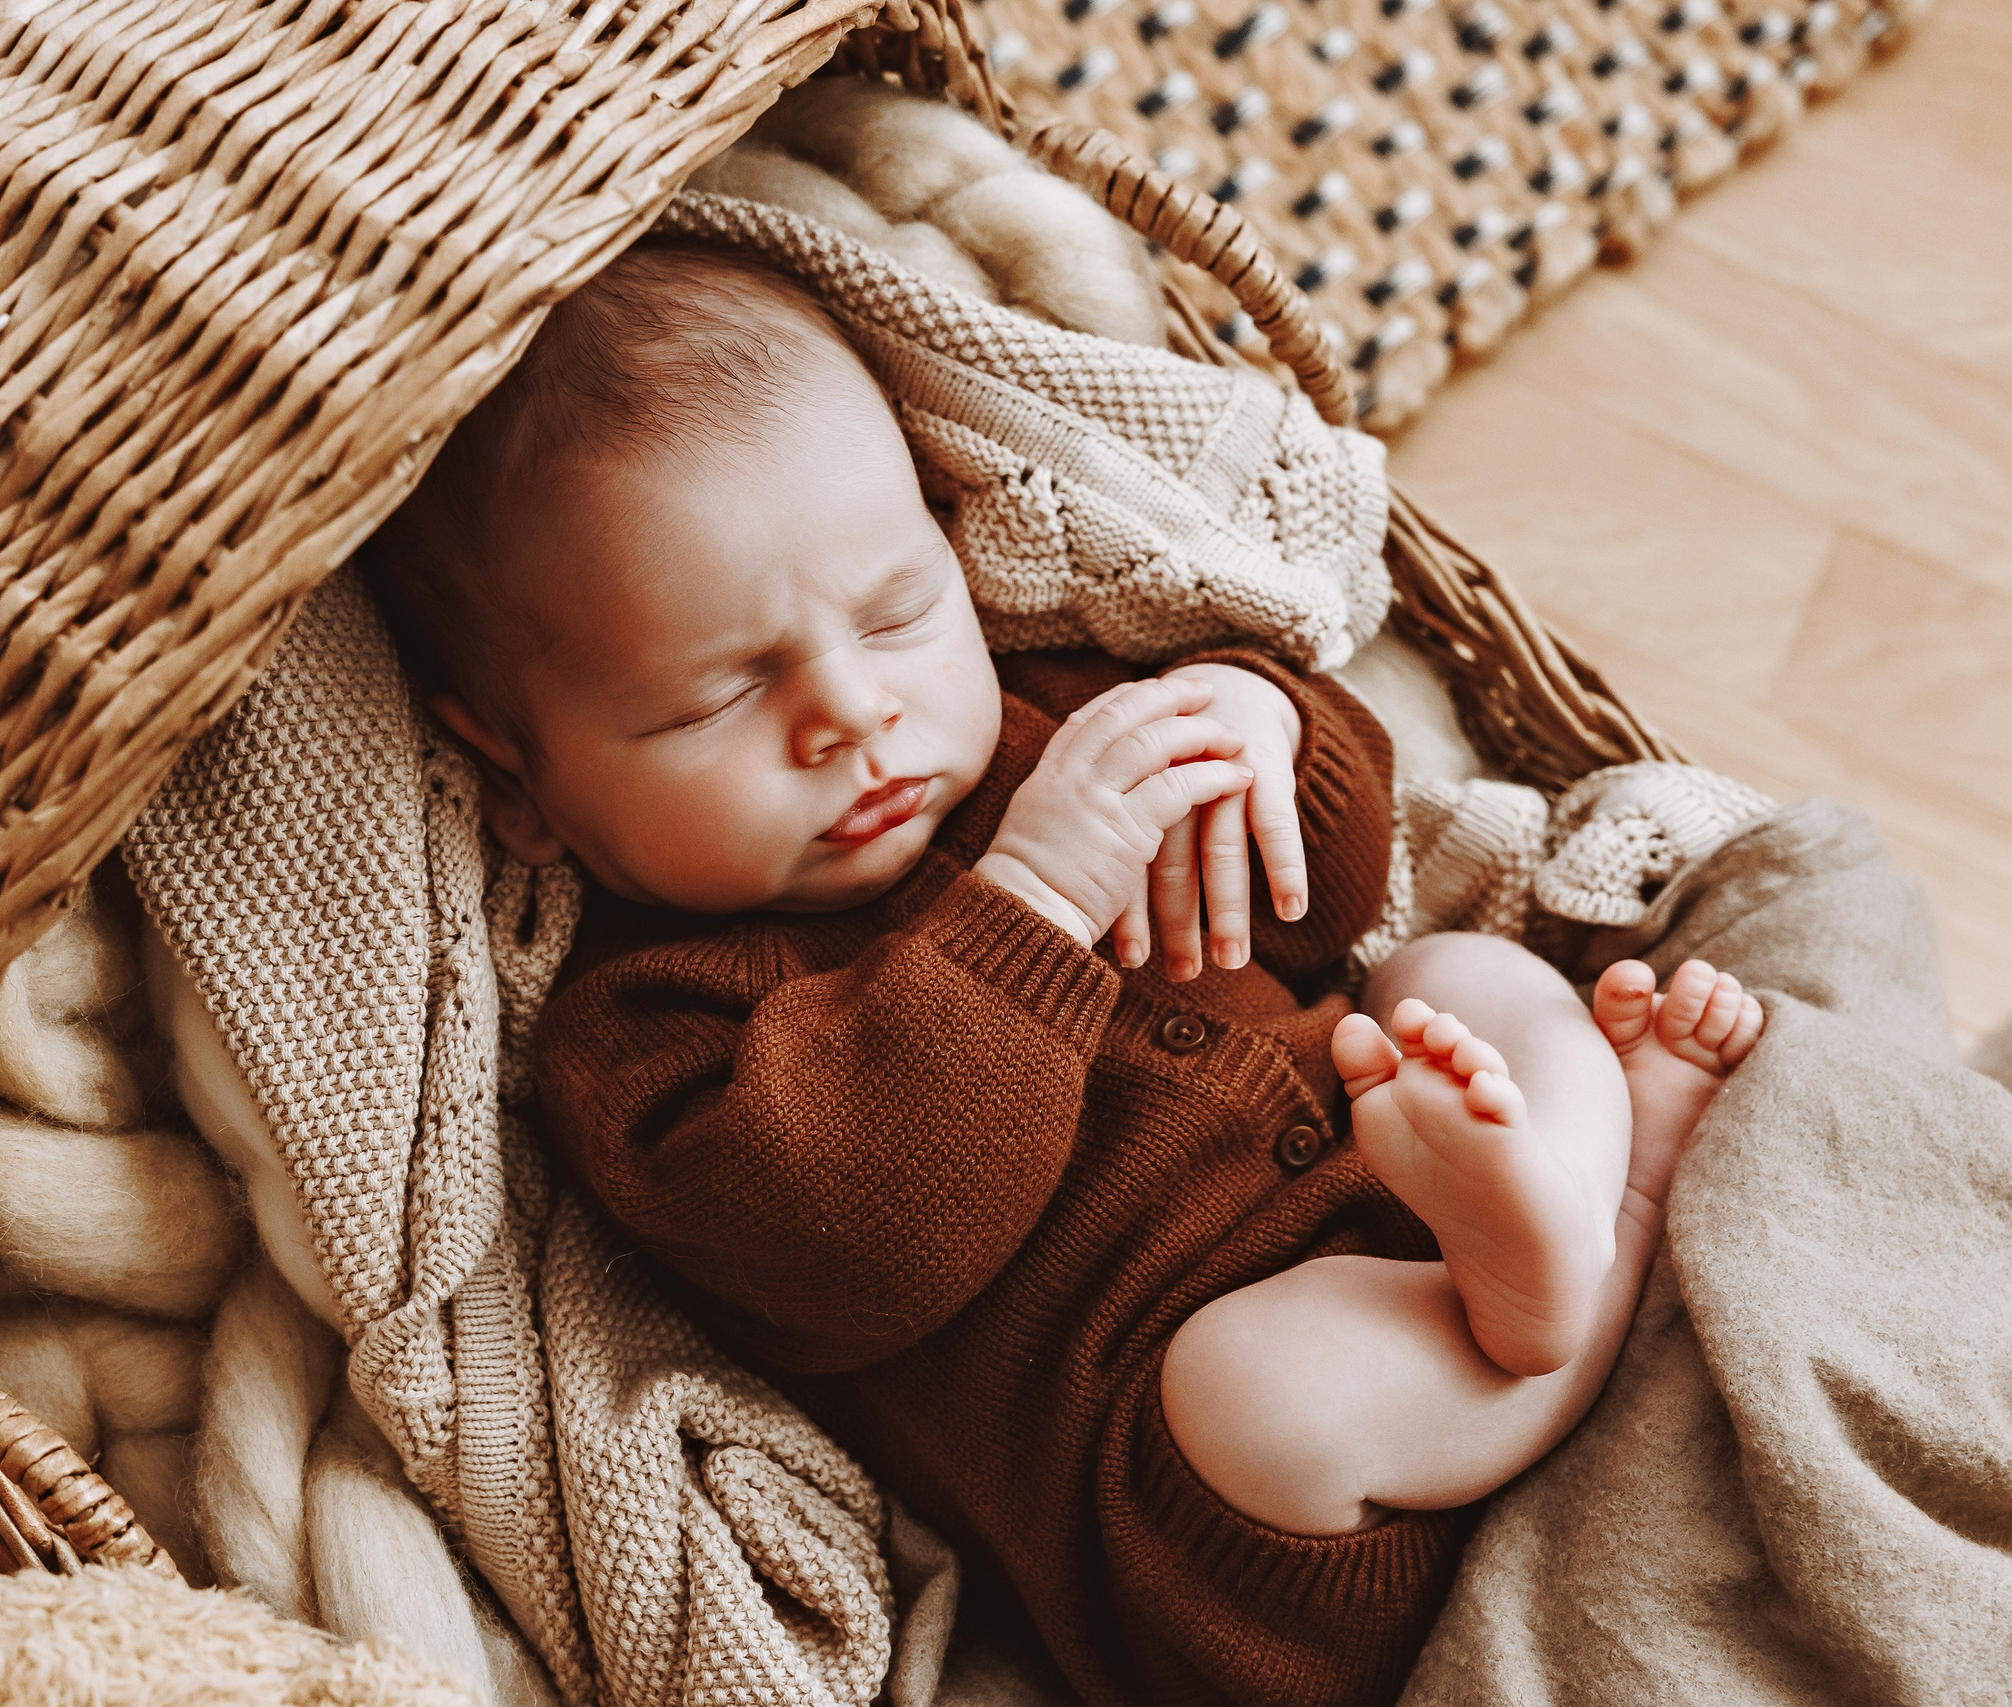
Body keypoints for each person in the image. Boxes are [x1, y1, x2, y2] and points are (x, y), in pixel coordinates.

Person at [363, 243, 1763, 1707]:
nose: (854, 710)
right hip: (1241, 1530)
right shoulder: (648, 1031)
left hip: (1415, 1198)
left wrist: (1258, 726)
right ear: (516, 779)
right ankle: (1584, 1268)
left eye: (898, 612)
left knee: (1450, 969)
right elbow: (851, 1252)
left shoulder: (1055, 740)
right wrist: (1030, 905)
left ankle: (1572, 1201)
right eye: (714, 696)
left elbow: (1330, 897)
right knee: (1262, 1391)